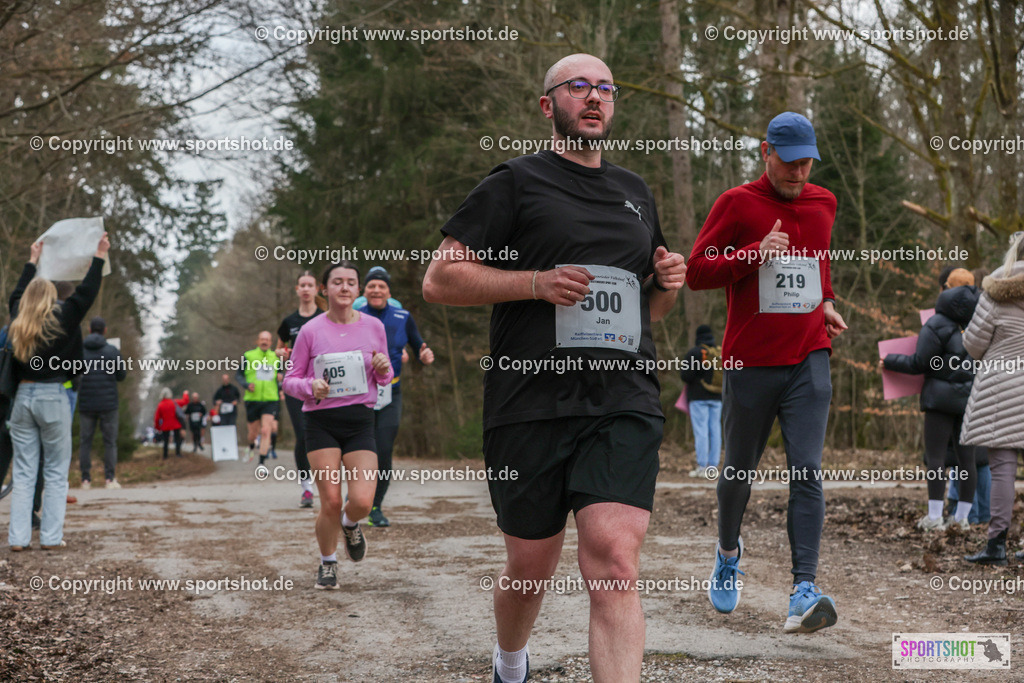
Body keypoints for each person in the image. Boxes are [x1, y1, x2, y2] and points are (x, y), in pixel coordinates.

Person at [423, 54, 687, 682]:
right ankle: (511, 660)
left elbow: (648, 310)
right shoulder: (515, 182)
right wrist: (534, 282)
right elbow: (439, 280)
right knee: (530, 568)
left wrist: (667, 284)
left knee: (615, 561)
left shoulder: (635, 192)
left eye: (605, 89)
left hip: (622, 400)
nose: (594, 97)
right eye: (578, 87)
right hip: (530, 403)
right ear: (549, 105)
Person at [687, 112, 848, 633]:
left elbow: (819, 265)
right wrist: (753, 254)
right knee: (737, 472)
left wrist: (826, 302)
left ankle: (803, 591)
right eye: (789, 163)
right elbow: (696, 272)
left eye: (806, 164)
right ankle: (727, 551)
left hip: (809, 355)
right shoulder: (736, 204)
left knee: (807, 470)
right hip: (751, 362)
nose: (799, 174)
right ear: (766, 152)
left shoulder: (825, 203)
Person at [282, 262, 392, 590]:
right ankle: (328, 562)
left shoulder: (374, 327)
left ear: (358, 290)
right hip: (321, 423)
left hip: (360, 421)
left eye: (350, 282)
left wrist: (383, 368)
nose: (344, 288)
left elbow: (384, 375)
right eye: (337, 282)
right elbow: (289, 380)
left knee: (362, 502)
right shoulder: (310, 331)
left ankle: (350, 524)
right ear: (324, 289)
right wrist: (310, 386)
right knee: (330, 500)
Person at [7, 233, 109, 551]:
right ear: (52, 297)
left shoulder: (18, 319)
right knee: (54, 470)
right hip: (53, 396)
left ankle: (18, 539)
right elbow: (87, 292)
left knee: (24, 472)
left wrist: (32, 261)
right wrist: (99, 257)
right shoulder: (64, 318)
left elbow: (16, 294)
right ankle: (50, 538)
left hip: (23, 398)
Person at [883, 267, 979, 531]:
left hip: (939, 400)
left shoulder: (936, 323)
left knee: (935, 457)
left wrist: (889, 360)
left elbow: (920, 362)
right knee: (967, 460)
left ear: (946, 289)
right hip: (970, 399)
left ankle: (935, 517)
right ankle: (961, 519)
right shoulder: (980, 323)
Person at [961, 232, 1024, 565]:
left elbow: (972, 345)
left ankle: (997, 545)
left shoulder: (997, 290)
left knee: (1002, 470)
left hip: (1001, 389)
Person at [356, 266, 434, 527]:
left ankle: (375, 507)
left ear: (389, 292)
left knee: (384, 450)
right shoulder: (355, 316)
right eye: (372, 286)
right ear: (364, 291)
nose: (376, 290)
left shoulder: (402, 316)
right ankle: (357, 497)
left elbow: (418, 345)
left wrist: (424, 355)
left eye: (382, 286)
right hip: (361, 393)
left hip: (391, 392)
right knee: (361, 450)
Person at [276, 272, 325, 507]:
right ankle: (307, 488)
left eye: (309, 285)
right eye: (302, 285)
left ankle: (327, 485)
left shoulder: (325, 317)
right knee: (302, 435)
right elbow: (278, 350)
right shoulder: (289, 322)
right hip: (296, 384)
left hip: (322, 384)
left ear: (317, 289)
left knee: (324, 433)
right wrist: (281, 356)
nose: (306, 289)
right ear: (297, 289)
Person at [77, 316, 127, 489]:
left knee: (85, 442)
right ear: (105, 330)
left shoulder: (80, 350)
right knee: (110, 442)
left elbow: (73, 373)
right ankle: (109, 479)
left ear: (89, 330)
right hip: (108, 404)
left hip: (86, 402)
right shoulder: (112, 351)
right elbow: (121, 376)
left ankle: (85, 480)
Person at [679, 324, 723, 478]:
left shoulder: (695, 353)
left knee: (701, 431)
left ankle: (702, 466)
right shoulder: (719, 353)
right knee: (715, 431)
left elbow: (686, 376)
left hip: (698, 398)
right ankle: (713, 467)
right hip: (717, 398)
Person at [237, 331, 281, 464]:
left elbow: (281, 374)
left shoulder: (276, 357)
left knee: (266, 430)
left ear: (271, 342)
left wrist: (281, 378)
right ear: (257, 341)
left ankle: (261, 463)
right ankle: (251, 445)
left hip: (270, 399)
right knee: (253, 434)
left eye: (267, 339)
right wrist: (246, 385)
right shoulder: (248, 356)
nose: (264, 341)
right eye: (262, 339)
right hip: (252, 399)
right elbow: (238, 375)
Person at [153, 388, 189, 459]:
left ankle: (165, 455)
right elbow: (185, 401)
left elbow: (157, 418)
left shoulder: (160, 405)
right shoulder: (174, 402)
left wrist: (158, 427)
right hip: (175, 424)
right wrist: (185, 394)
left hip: (165, 425)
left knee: (166, 440)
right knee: (177, 439)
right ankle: (178, 453)